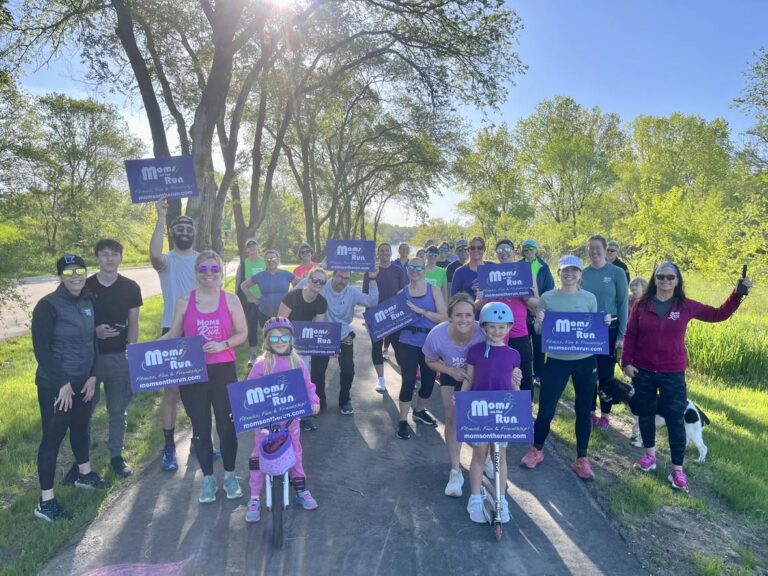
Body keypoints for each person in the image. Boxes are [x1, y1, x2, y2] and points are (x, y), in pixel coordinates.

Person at [623, 263, 751, 492]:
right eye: (660, 276)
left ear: (677, 280)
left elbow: (718, 314)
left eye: (670, 277)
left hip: (672, 372)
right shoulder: (642, 305)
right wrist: (627, 363)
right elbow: (631, 335)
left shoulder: (685, 306)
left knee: (675, 420)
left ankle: (677, 470)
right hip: (643, 371)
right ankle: (649, 457)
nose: (664, 280)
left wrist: (738, 294)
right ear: (655, 279)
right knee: (646, 414)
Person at [160, 251, 247, 503]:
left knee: (226, 425)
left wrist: (224, 344)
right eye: (203, 269)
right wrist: (141, 351)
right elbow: (174, 335)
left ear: (221, 271)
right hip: (193, 372)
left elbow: (242, 333)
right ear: (196, 272)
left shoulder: (230, 300)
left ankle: (230, 476)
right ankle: (208, 479)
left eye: (214, 269)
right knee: (200, 427)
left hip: (223, 370)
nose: (209, 273)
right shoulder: (184, 301)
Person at [520, 255, 610, 481]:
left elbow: (591, 328)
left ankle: (582, 458)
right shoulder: (548, 298)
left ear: (580, 274)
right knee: (547, 408)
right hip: (557, 361)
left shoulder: (589, 298)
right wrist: (540, 321)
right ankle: (536, 449)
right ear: (558, 273)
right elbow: (540, 332)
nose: (569, 274)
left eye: (574, 270)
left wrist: (604, 323)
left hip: (585, 361)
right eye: (564, 270)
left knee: (583, 410)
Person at [31, 255, 106, 522]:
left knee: (82, 428)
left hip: (83, 382)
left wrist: (93, 376)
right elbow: (42, 350)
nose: (76, 275)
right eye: (69, 271)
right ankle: (46, 501)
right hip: (56, 386)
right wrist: (62, 382)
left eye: (80, 270)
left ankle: (84, 475)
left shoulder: (88, 300)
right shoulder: (47, 306)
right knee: (53, 437)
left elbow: (92, 343)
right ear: (60, 276)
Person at [245, 317, 321, 523]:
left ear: (291, 339)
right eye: (275, 338)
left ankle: (301, 489)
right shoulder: (261, 365)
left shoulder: (297, 362)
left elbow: (308, 386)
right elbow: (247, 391)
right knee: (258, 456)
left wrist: (313, 400)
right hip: (265, 423)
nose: (280, 341)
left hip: (291, 420)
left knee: (295, 453)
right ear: (267, 341)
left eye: (285, 336)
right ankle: (254, 497)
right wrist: (239, 409)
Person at [85, 239, 143, 478]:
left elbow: (134, 322)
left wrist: (132, 351)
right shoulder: (85, 287)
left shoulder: (131, 287)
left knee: (118, 410)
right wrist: (94, 332)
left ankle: (116, 455)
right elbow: (75, 322)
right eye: (105, 254)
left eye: (114, 254)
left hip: (119, 356)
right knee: (84, 411)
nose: (110, 258)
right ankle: (82, 460)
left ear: (121, 258)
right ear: (97, 257)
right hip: (90, 358)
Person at [462, 302, 522, 524]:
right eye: (492, 327)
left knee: (500, 457)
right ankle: (476, 496)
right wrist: (461, 398)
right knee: (479, 455)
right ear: (484, 327)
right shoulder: (475, 351)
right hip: (479, 412)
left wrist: (519, 391)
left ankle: (501, 498)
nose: (497, 332)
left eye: (502, 327)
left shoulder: (514, 354)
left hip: (503, 413)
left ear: (509, 328)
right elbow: (469, 378)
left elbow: (514, 386)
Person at [150, 198, 199, 472]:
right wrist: (161, 216)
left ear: (193, 233)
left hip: (200, 332)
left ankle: (199, 439)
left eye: (188, 227)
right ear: (172, 232)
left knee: (199, 391)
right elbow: (154, 254)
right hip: (172, 330)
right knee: (172, 391)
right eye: (178, 227)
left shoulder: (202, 259)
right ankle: (169, 447)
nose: (183, 230)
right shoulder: (166, 261)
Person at [423, 293, 486, 496]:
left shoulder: (482, 332)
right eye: (458, 315)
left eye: (468, 315)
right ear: (450, 316)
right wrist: (450, 371)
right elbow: (429, 361)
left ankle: (485, 460)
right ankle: (455, 470)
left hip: (479, 375)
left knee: (484, 420)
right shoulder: (437, 334)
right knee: (452, 418)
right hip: (452, 373)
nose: (464, 320)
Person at [296, 269, 379, 414]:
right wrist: (311, 276)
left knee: (348, 370)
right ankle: (318, 401)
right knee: (317, 372)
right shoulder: (321, 288)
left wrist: (372, 280)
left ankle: (345, 400)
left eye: (346, 277)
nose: (343, 280)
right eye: (340, 276)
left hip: (343, 334)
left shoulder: (351, 291)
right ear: (333, 276)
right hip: (322, 335)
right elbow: (299, 291)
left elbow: (371, 301)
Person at [474, 239, 538, 394]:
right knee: (496, 375)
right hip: (494, 334)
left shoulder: (526, 273)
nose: (503, 253)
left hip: (519, 333)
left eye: (507, 249)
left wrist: (524, 294)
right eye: (499, 251)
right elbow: (477, 306)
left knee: (522, 377)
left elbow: (536, 304)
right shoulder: (489, 275)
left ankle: (524, 413)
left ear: (514, 251)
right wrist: (482, 298)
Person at [395, 256, 448, 439]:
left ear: (424, 270)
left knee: (428, 380)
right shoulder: (402, 292)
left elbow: (444, 318)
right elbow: (392, 318)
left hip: (430, 341)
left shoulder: (433, 290)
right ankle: (403, 421)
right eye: (411, 268)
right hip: (407, 340)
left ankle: (419, 410)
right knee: (408, 381)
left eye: (418, 268)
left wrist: (422, 312)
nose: (415, 271)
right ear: (407, 270)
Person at [582, 235, 629, 431]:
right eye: (591, 248)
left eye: (597, 248)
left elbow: (623, 304)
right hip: (586, 330)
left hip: (610, 330)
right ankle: (591, 411)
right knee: (588, 372)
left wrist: (621, 336)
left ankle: (606, 414)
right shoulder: (583, 273)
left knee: (605, 374)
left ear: (605, 249)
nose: (594, 251)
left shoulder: (617, 272)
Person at [278, 267, 329, 431]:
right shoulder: (292, 296)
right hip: (284, 341)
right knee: (284, 378)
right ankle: (282, 416)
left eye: (322, 282)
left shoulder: (321, 302)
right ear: (308, 280)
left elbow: (317, 327)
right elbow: (279, 323)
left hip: (304, 343)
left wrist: (326, 346)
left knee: (304, 377)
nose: (318, 284)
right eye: (315, 280)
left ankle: (304, 415)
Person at [363, 243, 405, 394]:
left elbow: (402, 293)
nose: (384, 253)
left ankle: (406, 379)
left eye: (387, 250)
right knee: (376, 348)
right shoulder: (370, 271)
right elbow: (366, 296)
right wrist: (367, 319)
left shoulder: (398, 270)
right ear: (378, 253)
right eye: (382, 251)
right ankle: (381, 379)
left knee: (399, 348)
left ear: (391, 253)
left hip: (393, 315)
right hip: (376, 316)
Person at [520, 239, 555, 386]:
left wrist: (541, 305)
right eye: (526, 249)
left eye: (531, 249)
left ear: (536, 251)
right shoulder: (517, 266)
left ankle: (539, 375)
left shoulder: (543, 266)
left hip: (539, 311)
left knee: (539, 345)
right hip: (522, 311)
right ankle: (523, 374)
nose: (529, 252)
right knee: (524, 346)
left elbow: (550, 287)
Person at [239, 249, 295, 327]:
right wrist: (254, 299)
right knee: (267, 337)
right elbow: (243, 286)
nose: (270, 261)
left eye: (273, 259)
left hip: (284, 312)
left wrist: (292, 298)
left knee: (283, 335)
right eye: (268, 259)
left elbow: (300, 285)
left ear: (278, 260)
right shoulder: (260, 276)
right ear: (264, 261)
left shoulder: (287, 274)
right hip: (264, 313)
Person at [235, 238, 266, 367]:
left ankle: (268, 353)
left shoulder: (265, 261)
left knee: (267, 326)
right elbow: (238, 283)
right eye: (249, 246)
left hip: (265, 300)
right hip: (250, 300)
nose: (252, 248)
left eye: (254, 245)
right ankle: (253, 355)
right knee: (252, 327)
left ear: (258, 247)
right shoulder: (243, 264)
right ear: (246, 249)